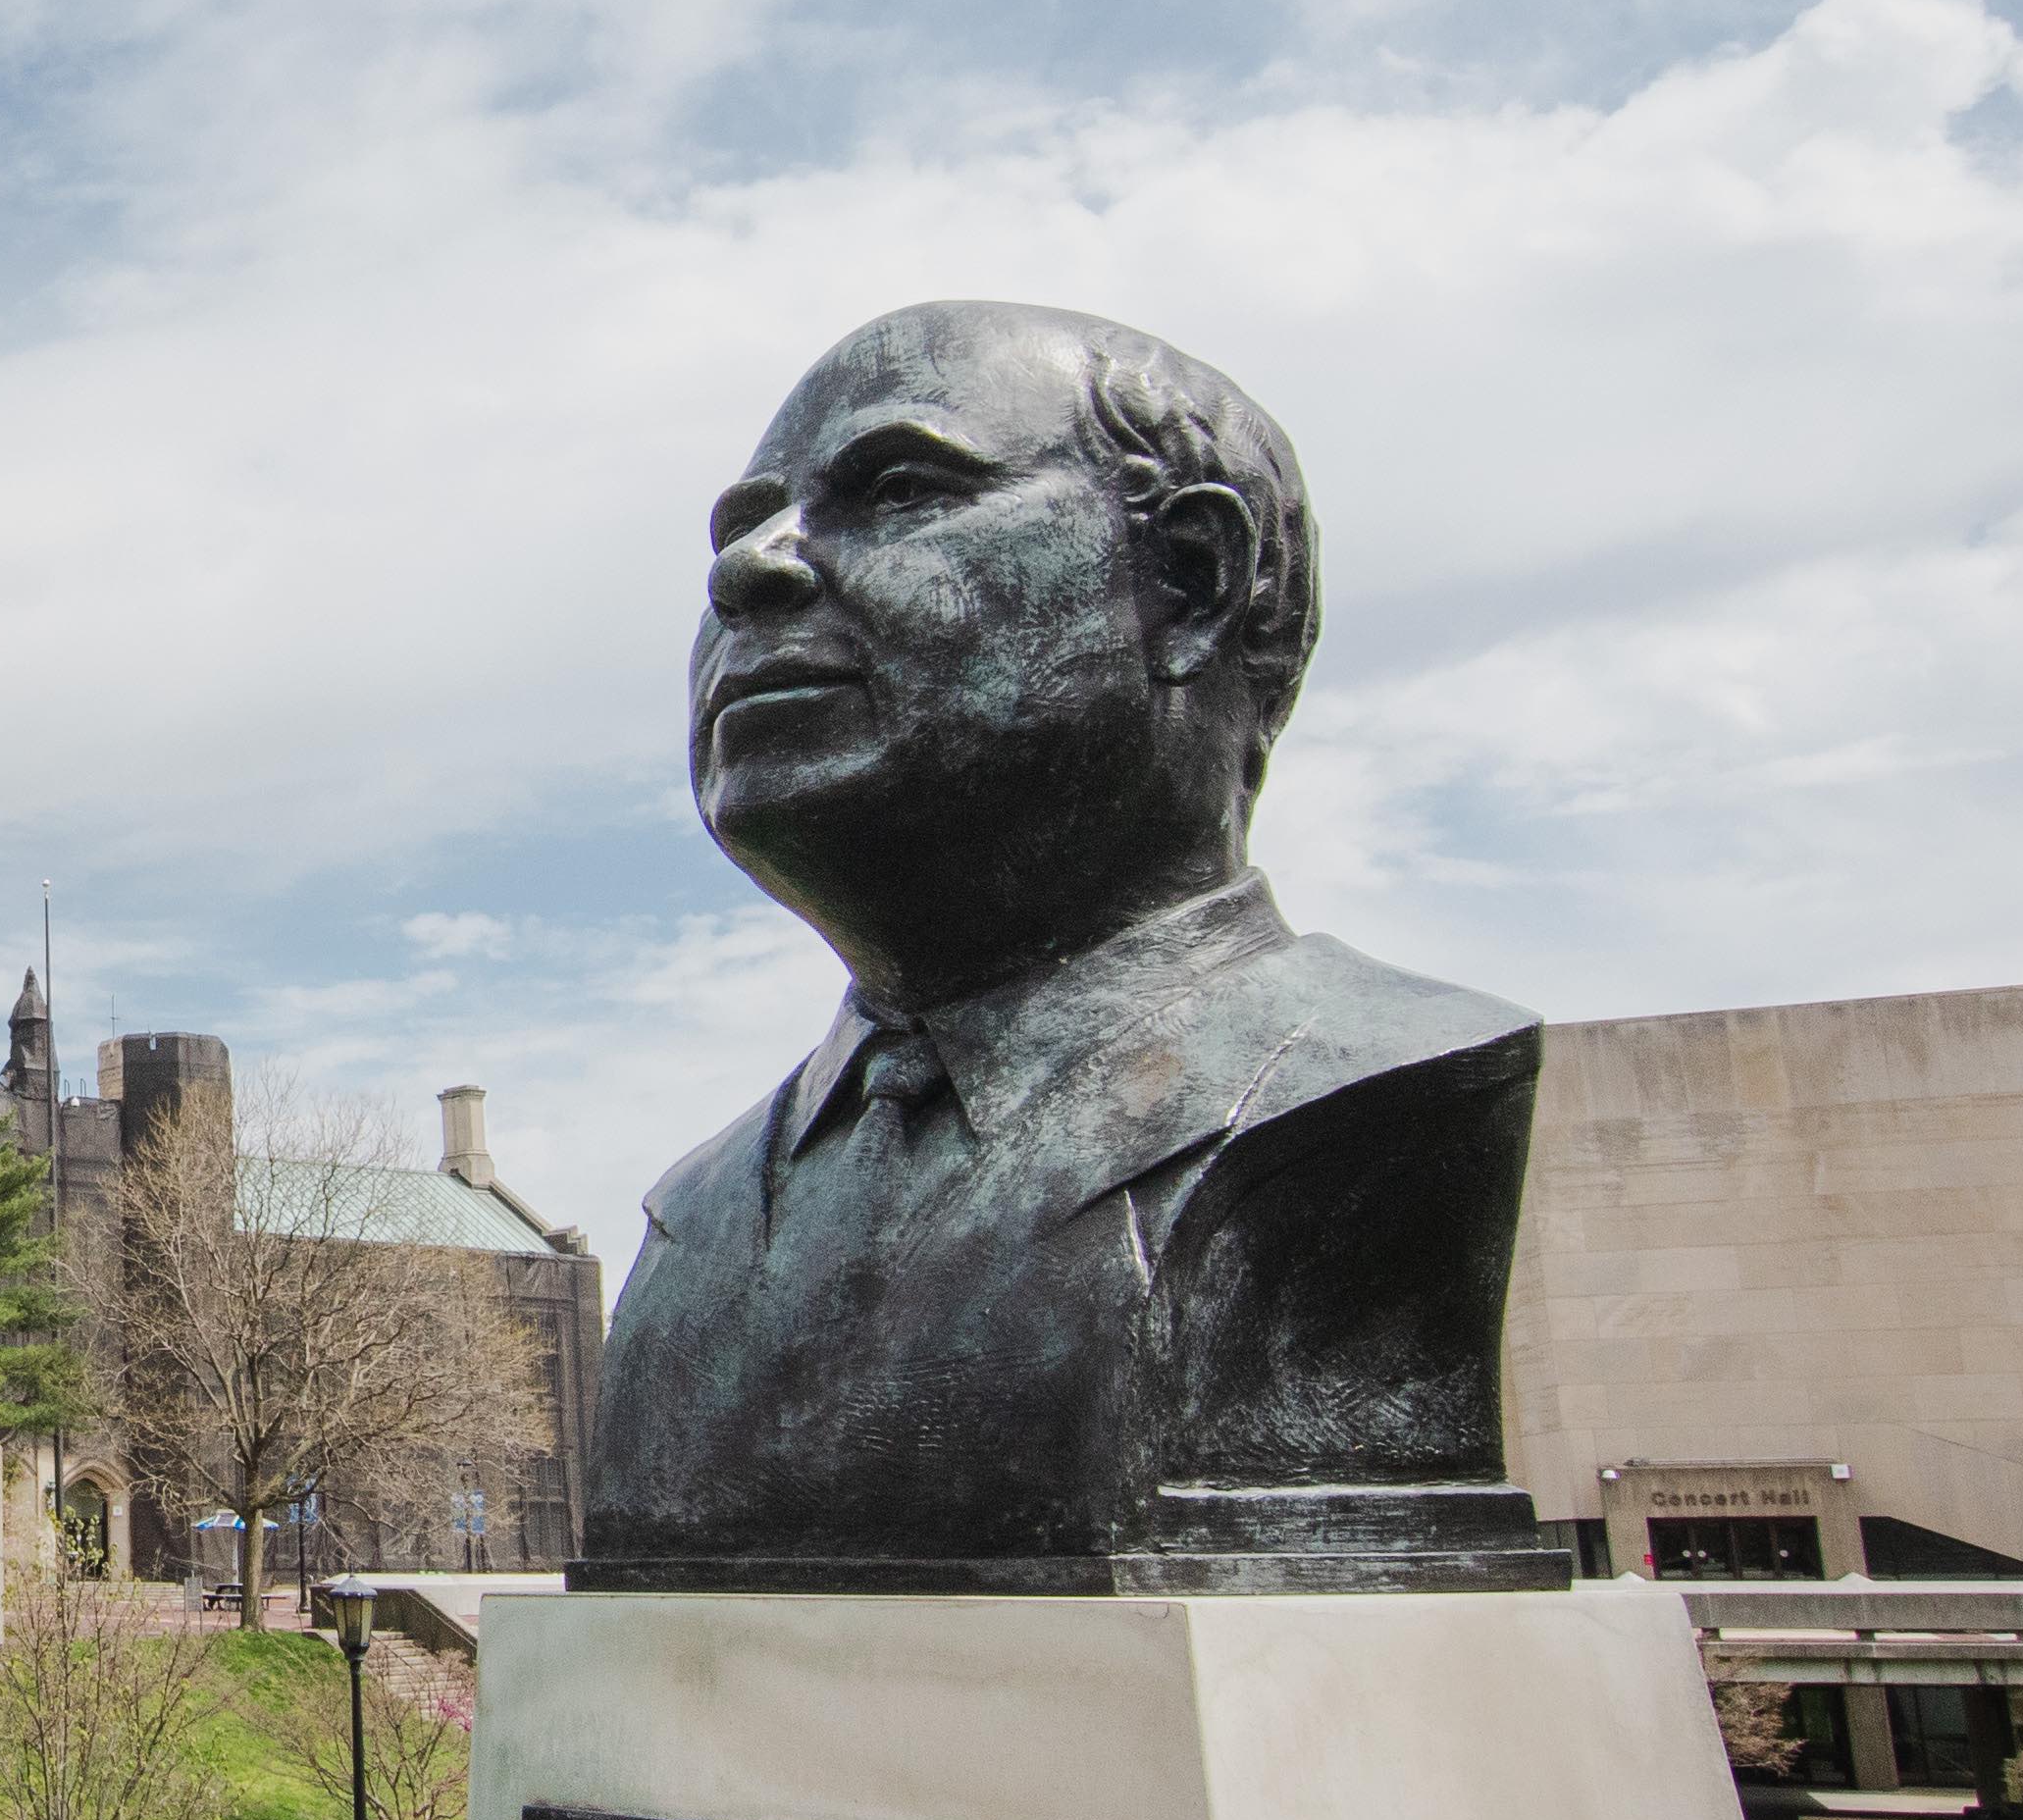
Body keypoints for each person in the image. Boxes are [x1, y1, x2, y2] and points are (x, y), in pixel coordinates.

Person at [581, 300, 1561, 1594]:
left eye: (899, 486)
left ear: (1193, 579)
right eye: (739, 523)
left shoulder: (1367, 1101)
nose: (746, 568)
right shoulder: (691, 1234)